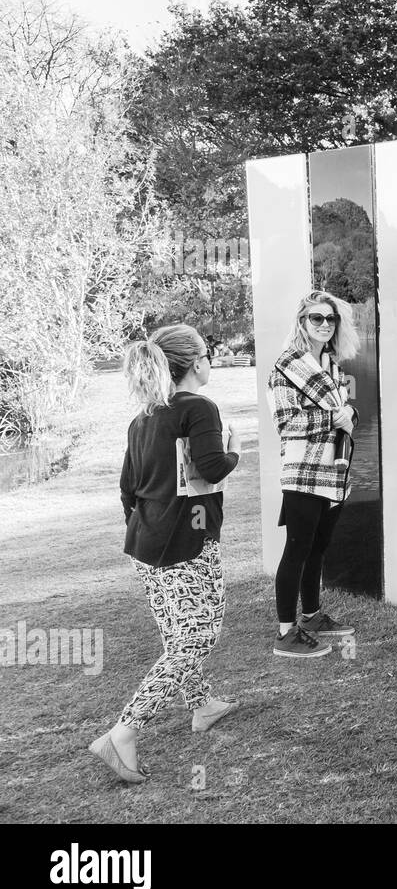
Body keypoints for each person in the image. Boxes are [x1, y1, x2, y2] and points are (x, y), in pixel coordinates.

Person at [90, 326, 242, 784]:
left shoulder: (143, 416)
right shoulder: (198, 407)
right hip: (185, 542)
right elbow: (214, 467)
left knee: (179, 634)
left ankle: (202, 706)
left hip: (145, 542)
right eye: (208, 356)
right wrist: (235, 450)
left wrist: (149, 527)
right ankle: (124, 731)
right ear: (196, 363)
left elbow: (126, 489)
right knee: (198, 635)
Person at [268, 289, 359, 658]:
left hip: (333, 468)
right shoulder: (287, 365)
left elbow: (345, 414)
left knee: (318, 547)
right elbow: (286, 422)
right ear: (302, 323)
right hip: (304, 469)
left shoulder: (333, 365)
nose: (324, 324)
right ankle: (286, 632)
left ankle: (311, 615)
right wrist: (333, 418)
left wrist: (350, 416)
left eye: (330, 319)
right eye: (316, 318)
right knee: (297, 549)